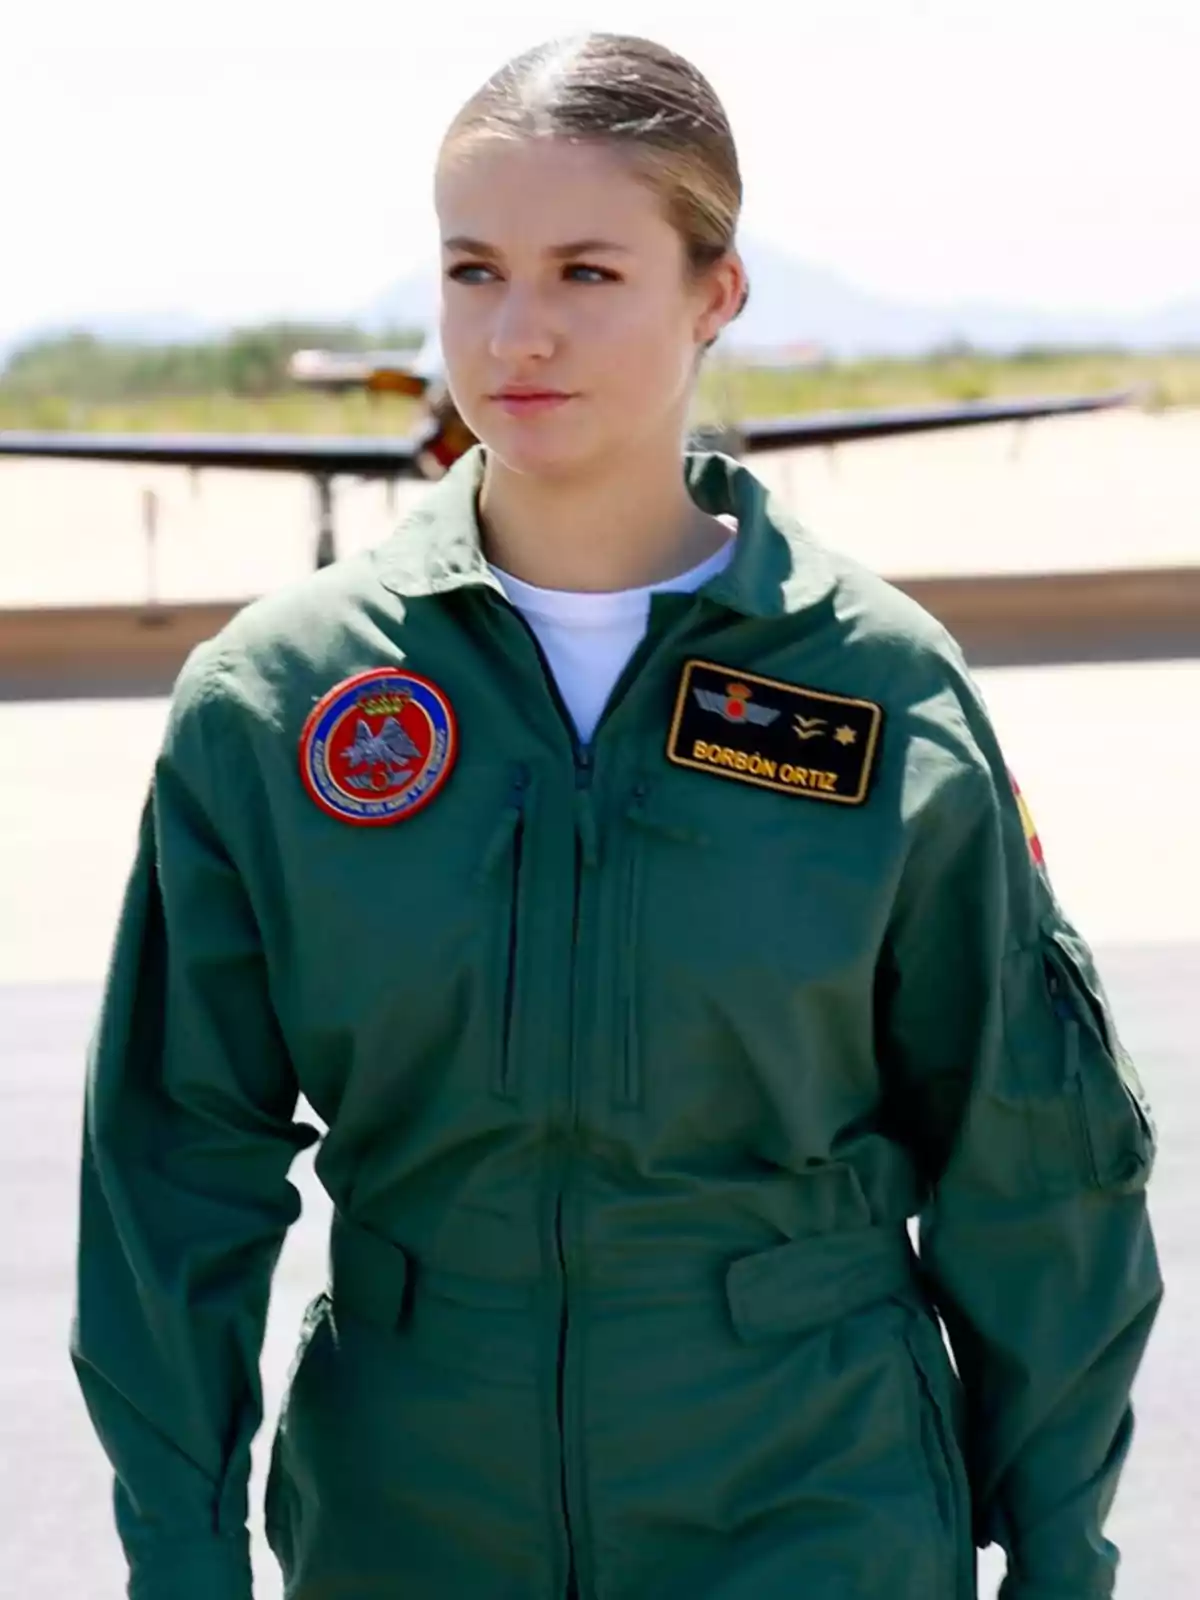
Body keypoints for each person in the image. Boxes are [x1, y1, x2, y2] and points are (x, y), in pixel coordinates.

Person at [70, 30, 1162, 1600]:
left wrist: (1060, 1559)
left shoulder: (880, 689)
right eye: (472, 270)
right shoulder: (276, 699)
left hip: (811, 1510)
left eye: (589, 270)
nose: (519, 332)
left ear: (716, 292)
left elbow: (1031, 1158)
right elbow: (168, 1167)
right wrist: (179, 1560)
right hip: (410, 1523)